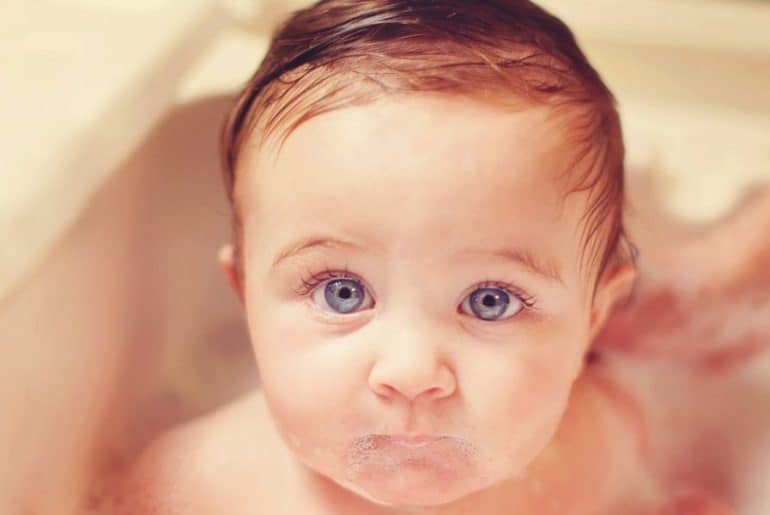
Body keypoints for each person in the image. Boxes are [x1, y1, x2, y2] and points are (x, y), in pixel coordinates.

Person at [108, 1, 740, 513]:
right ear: (244, 294)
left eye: (491, 301)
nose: (411, 372)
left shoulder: (599, 448)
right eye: (342, 292)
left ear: (593, 320)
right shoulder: (186, 490)